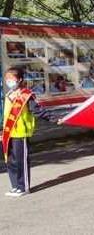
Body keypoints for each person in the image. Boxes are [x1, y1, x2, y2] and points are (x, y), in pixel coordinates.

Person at [2, 67, 45, 197]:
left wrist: (54, 118)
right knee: (10, 161)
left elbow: (37, 111)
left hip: (21, 133)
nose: (8, 81)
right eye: (7, 78)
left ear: (19, 79)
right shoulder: (9, 94)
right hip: (8, 133)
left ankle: (23, 187)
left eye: (11, 78)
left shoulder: (26, 95)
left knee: (21, 161)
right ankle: (15, 186)